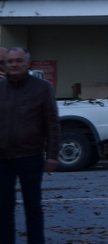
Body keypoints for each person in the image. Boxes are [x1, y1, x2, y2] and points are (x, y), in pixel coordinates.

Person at [0, 47, 59, 244]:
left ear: (27, 63)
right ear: (5, 65)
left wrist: (52, 155)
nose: (14, 65)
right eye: (10, 61)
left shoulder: (42, 88)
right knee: (3, 208)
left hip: (30, 156)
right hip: (2, 159)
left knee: (33, 207)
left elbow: (52, 123)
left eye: (18, 61)